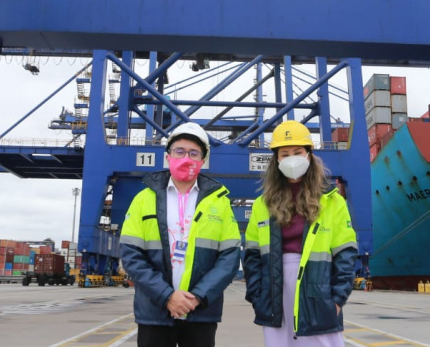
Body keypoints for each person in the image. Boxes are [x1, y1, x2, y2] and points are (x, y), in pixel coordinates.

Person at [120, 122, 241, 347]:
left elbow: (230, 258)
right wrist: (166, 296)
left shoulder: (220, 203)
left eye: (194, 153)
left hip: (200, 311)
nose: (186, 158)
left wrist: (198, 296)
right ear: (168, 157)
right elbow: (131, 255)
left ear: (203, 161)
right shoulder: (143, 200)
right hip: (155, 311)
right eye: (180, 151)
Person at [243, 120, 358, 346]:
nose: (292, 159)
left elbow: (346, 254)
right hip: (274, 294)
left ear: (309, 155)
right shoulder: (261, 205)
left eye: (297, 152)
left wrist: (337, 299)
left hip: (318, 293)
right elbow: (252, 257)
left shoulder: (332, 201)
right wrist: (257, 296)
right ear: (276, 160)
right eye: (285, 154)